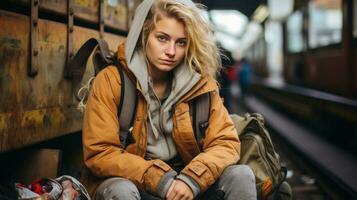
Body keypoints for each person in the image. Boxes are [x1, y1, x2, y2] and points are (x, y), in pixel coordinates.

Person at [81, 0, 256, 199]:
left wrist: (192, 180)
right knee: (119, 191)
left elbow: (225, 142)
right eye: (162, 39)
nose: (172, 52)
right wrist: (161, 180)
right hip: (135, 183)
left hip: (187, 183)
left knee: (241, 175)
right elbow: (100, 152)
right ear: (144, 34)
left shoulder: (201, 85)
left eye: (181, 42)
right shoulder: (112, 81)